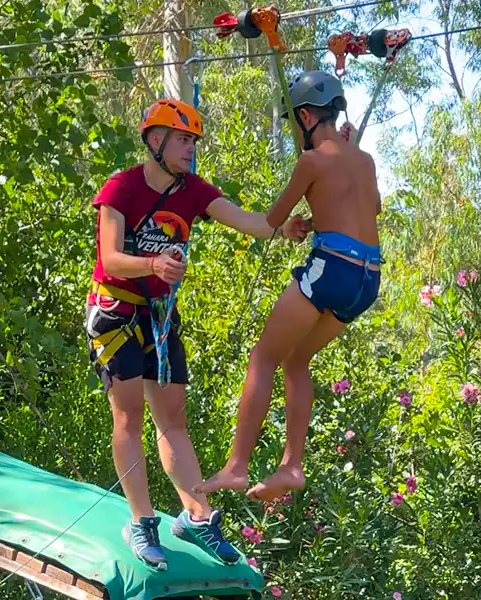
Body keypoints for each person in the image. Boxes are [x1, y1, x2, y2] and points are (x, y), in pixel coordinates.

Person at [86, 98, 310, 570]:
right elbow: (108, 258)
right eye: (184, 140)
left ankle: (197, 516)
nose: (191, 149)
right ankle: (141, 521)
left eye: (193, 141)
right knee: (128, 419)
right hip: (118, 313)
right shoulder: (121, 187)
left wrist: (282, 228)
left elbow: (250, 221)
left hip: (162, 317)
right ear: (155, 141)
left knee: (173, 422)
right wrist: (152, 263)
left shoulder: (193, 191)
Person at [194, 71, 383, 503]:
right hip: (367, 280)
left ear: (304, 117)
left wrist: (285, 227)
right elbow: (368, 211)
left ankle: (236, 467)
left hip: (331, 270)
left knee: (263, 356)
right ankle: (291, 467)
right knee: (297, 360)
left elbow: (270, 221)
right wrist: (314, 222)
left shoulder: (311, 162)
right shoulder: (364, 159)